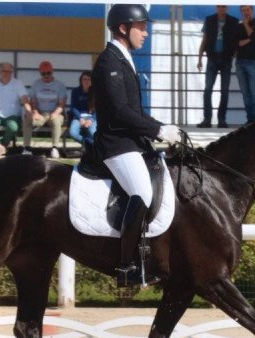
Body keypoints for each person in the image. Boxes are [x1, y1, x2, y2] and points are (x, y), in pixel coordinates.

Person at [92, 4, 181, 287]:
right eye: (141, 27)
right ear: (123, 28)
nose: (146, 32)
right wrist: (156, 129)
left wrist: (163, 129)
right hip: (115, 145)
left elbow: (136, 112)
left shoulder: (124, 58)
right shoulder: (109, 62)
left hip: (131, 142)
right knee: (141, 191)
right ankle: (125, 266)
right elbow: (119, 112)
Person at [196, 5, 239, 128]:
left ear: (227, 8)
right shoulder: (209, 20)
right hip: (212, 58)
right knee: (208, 89)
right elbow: (205, 39)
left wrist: (233, 55)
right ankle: (207, 119)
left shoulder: (233, 21)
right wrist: (199, 58)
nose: (221, 9)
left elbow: (236, 41)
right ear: (216, 7)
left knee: (224, 91)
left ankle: (221, 119)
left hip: (226, 59)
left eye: (223, 6)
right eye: (220, 6)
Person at [22, 61, 68, 159]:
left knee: (56, 121)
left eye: (48, 73)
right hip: (40, 113)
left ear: (52, 72)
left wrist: (56, 112)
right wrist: (34, 112)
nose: (46, 75)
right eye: (43, 73)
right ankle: (27, 148)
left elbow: (62, 103)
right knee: (27, 119)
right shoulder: (36, 84)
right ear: (40, 73)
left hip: (55, 112)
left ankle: (55, 148)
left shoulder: (60, 85)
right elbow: (32, 101)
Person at [235, 5, 255, 123]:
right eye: (243, 10)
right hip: (240, 61)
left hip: (253, 61)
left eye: (247, 10)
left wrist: (247, 25)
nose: (246, 12)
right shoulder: (238, 26)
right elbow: (236, 43)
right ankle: (250, 119)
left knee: (254, 92)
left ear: (252, 10)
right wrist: (250, 39)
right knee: (245, 94)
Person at [68, 71, 97, 147]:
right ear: (81, 80)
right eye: (84, 79)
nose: (86, 81)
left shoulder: (96, 92)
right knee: (73, 133)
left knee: (92, 132)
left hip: (92, 117)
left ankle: (92, 148)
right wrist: (80, 118)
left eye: (89, 79)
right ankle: (89, 145)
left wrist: (91, 120)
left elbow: (98, 109)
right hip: (79, 117)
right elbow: (73, 107)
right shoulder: (75, 91)